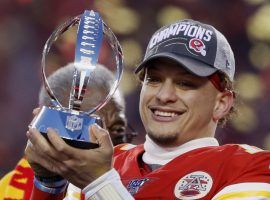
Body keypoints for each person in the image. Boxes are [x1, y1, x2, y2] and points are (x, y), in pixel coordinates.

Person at [25, 19, 270, 200]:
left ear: (221, 103)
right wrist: (49, 185)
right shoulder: (100, 160)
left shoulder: (251, 168)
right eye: (153, 80)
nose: (164, 95)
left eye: (185, 83)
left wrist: (100, 183)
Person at [0, 62, 135, 200]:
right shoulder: (9, 190)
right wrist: (48, 186)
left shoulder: (145, 177)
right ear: (43, 128)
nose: (108, 149)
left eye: (119, 131)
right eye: (84, 132)